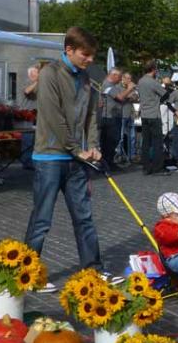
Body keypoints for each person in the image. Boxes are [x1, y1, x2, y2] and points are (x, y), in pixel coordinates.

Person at [24, 27, 116, 291]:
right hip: (50, 157)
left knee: (84, 217)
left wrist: (94, 146)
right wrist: (77, 148)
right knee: (42, 219)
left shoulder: (87, 79)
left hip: (76, 159)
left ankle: (94, 270)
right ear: (69, 50)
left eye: (92, 56)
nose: (89, 60)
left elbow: (90, 118)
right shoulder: (50, 74)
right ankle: (28, 275)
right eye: (85, 55)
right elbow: (54, 119)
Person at [136, 61, 169, 175]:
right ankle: (157, 167)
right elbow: (165, 94)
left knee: (146, 142)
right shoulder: (153, 82)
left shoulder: (140, 81)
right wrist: (165, 84)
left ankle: (146, 166)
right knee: (157, 142)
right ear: (154, 69)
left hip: (144, 114)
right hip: (154, 114)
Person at [99, 67, 132, 171]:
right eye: (119, 77)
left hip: (113, 116)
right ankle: (106, 163)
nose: (120, 79)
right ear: (113, 75)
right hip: (109, 117)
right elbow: (120, 97)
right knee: (110, 140)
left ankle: (109, 162)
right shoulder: (107, 85)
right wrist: (129, 88)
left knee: (113, 140)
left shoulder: (112, 86)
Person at [19, 63, 42, 170]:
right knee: (28, 140)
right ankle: (27, 161)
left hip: (38, 115)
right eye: (38, 73)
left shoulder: (39, 85)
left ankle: (34, 160)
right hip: (27, 115)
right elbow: (27, 91)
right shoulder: (27, 83)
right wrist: (38, 81)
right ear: (32, 74)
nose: (40, 75)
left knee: (36, 141)